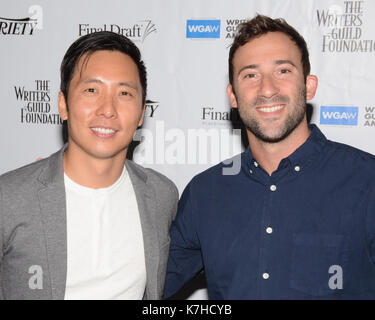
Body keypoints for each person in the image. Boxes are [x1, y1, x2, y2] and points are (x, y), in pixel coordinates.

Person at [163, 14, 375, 299]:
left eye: (283, 71)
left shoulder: (366, 181)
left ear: (309, 85)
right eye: (250, 75)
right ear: (233, 96)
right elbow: (141, 286)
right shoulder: (205, 193)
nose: (267, 89)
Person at [0, 31, 178, 300]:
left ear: (142, 113)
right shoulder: (9, 197)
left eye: (125, 93)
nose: (108, 109)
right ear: (63, 104)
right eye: (92, 90)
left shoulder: (161, 195)